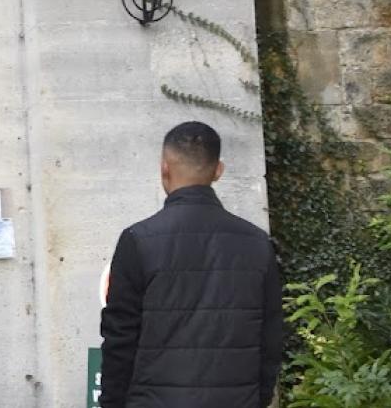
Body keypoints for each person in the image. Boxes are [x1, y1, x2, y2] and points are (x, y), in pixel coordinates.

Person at [99, 121, 282, 408]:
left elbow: (120, 339)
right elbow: (270, 338)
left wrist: (111, 402)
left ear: (164, 168)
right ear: (218, 170)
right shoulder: (257, 243)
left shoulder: (138, 240)